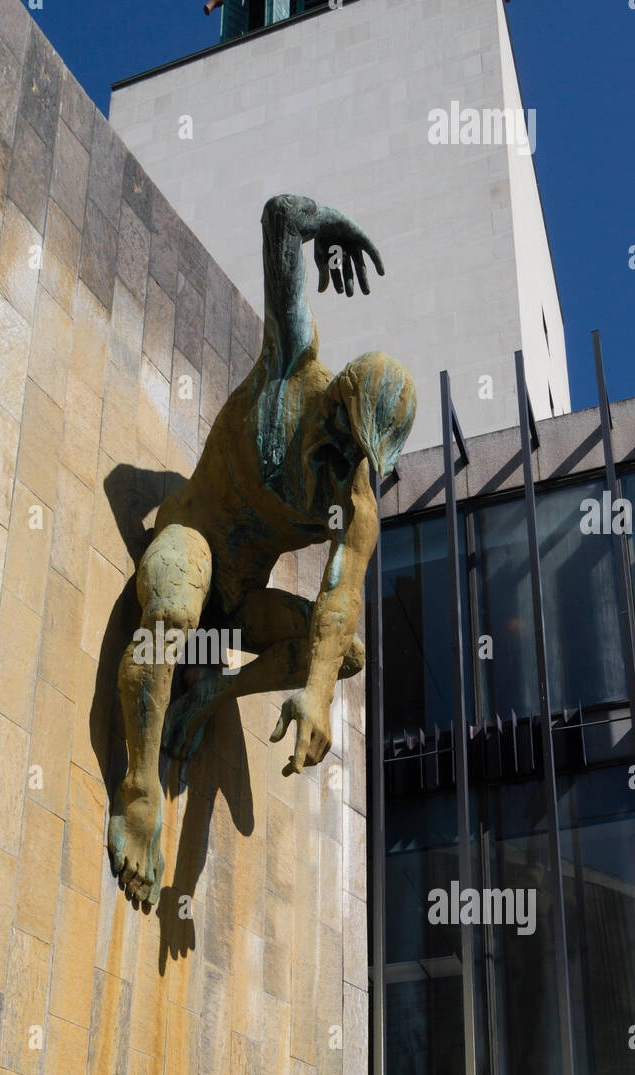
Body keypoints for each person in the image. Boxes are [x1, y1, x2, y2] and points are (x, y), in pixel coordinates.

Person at [109, 194, 416, 903]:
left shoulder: (355, 501)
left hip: (241, 600)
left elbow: (342, 594)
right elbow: (281, 217)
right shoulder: (291, 361)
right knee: (174, 615)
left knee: (345, 652)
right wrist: (329, 224)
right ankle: (139, 788)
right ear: (334, 400)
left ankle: (211, 691)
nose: (342, 461)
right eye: (342, 438)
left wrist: (313, 696)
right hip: (192, 536)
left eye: (362, 458)